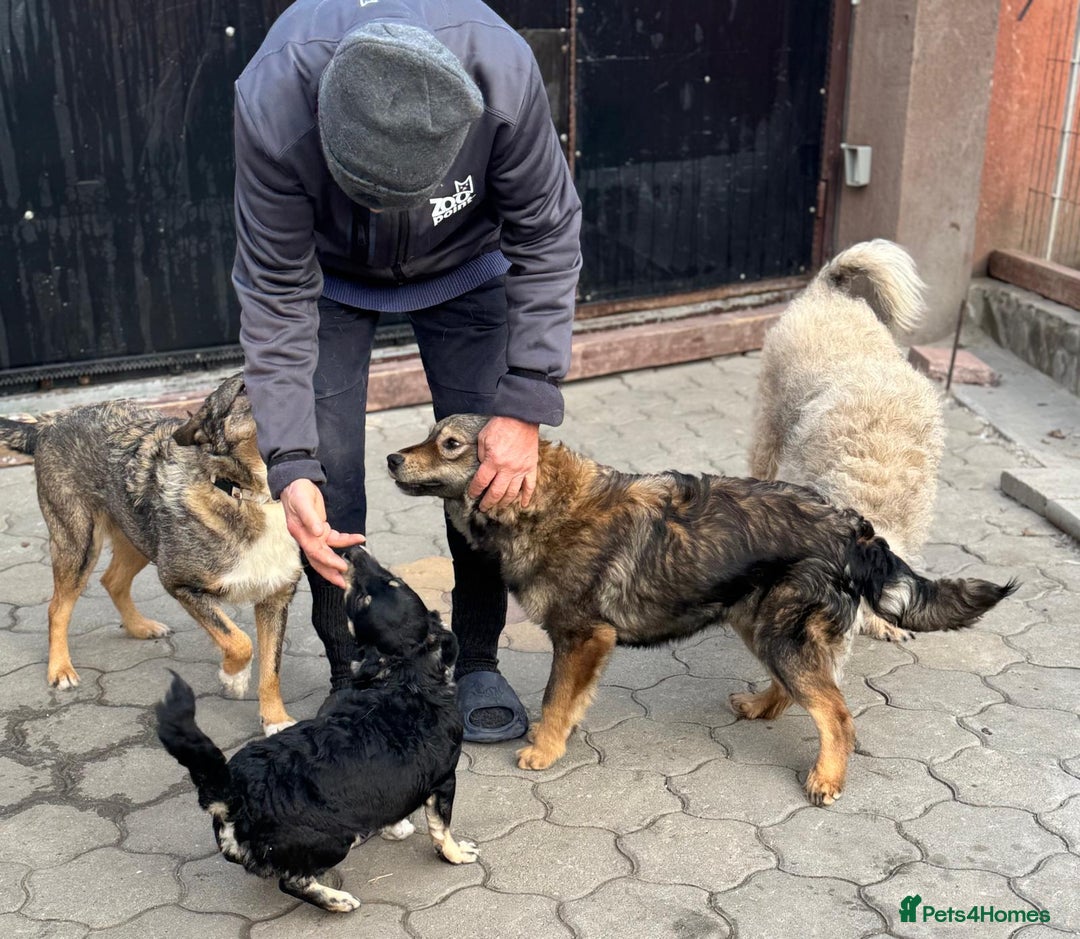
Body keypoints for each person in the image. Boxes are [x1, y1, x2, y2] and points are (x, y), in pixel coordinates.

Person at [232, 0, 581, 742]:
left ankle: (479, 657)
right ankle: (351, 670)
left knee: (490, 469)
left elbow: (547, 235)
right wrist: (289, 460)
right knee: (324, 478)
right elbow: (273, 292)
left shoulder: (501, 71)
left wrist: (525, 403)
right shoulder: (272, 97)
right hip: (324, 277)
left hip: (465, 262)